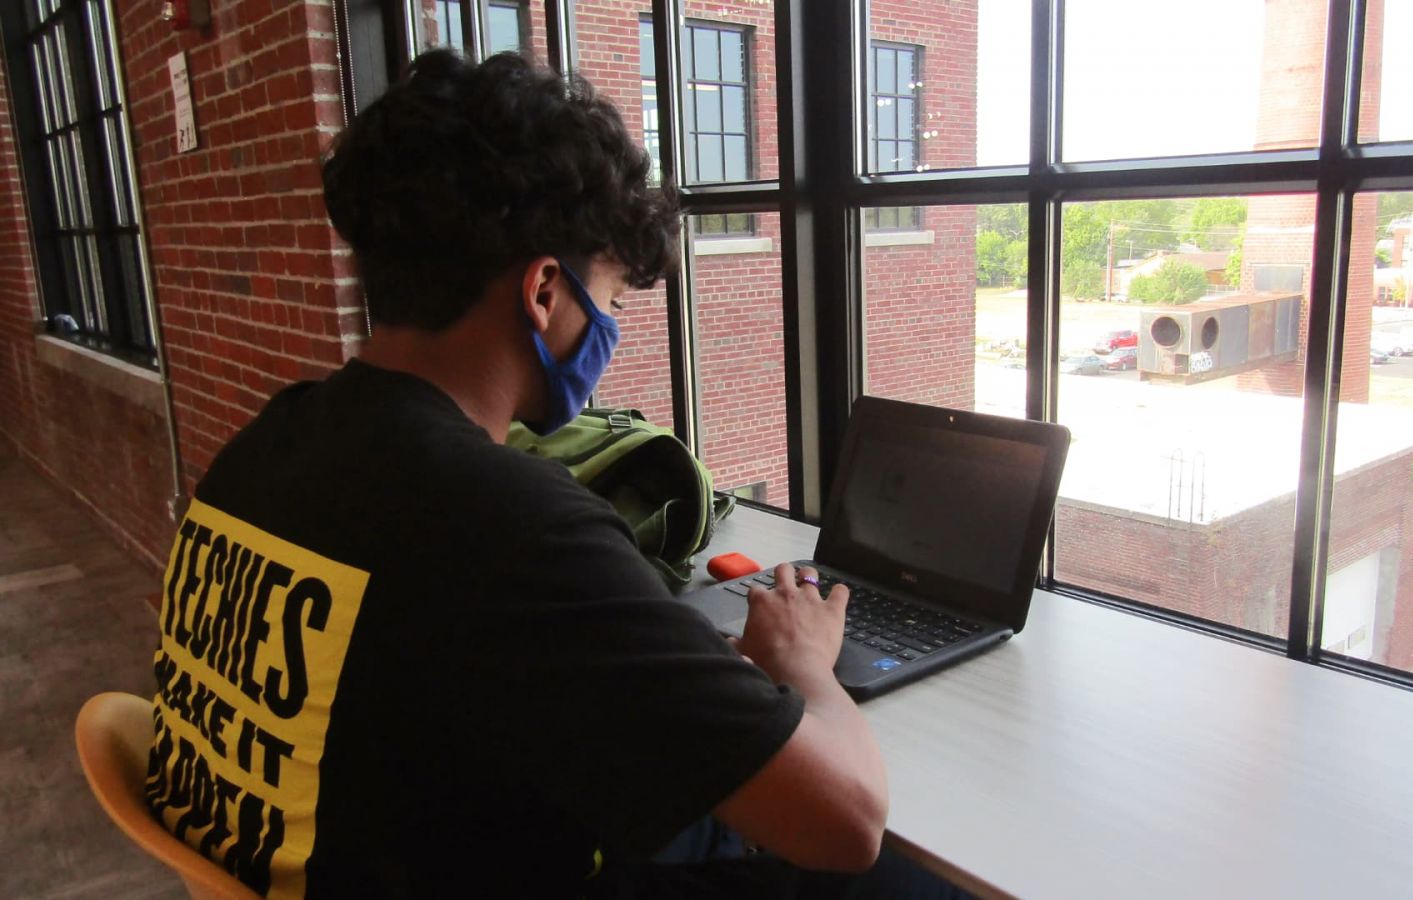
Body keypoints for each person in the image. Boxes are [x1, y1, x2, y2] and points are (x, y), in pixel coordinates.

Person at [145, 49, 967, 898]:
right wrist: (801, 662)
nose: (609, 330)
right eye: (608, 299)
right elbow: (849, 822)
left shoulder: (265, 447)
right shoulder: (501, 525)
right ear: (544, 292)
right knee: (916, 879)